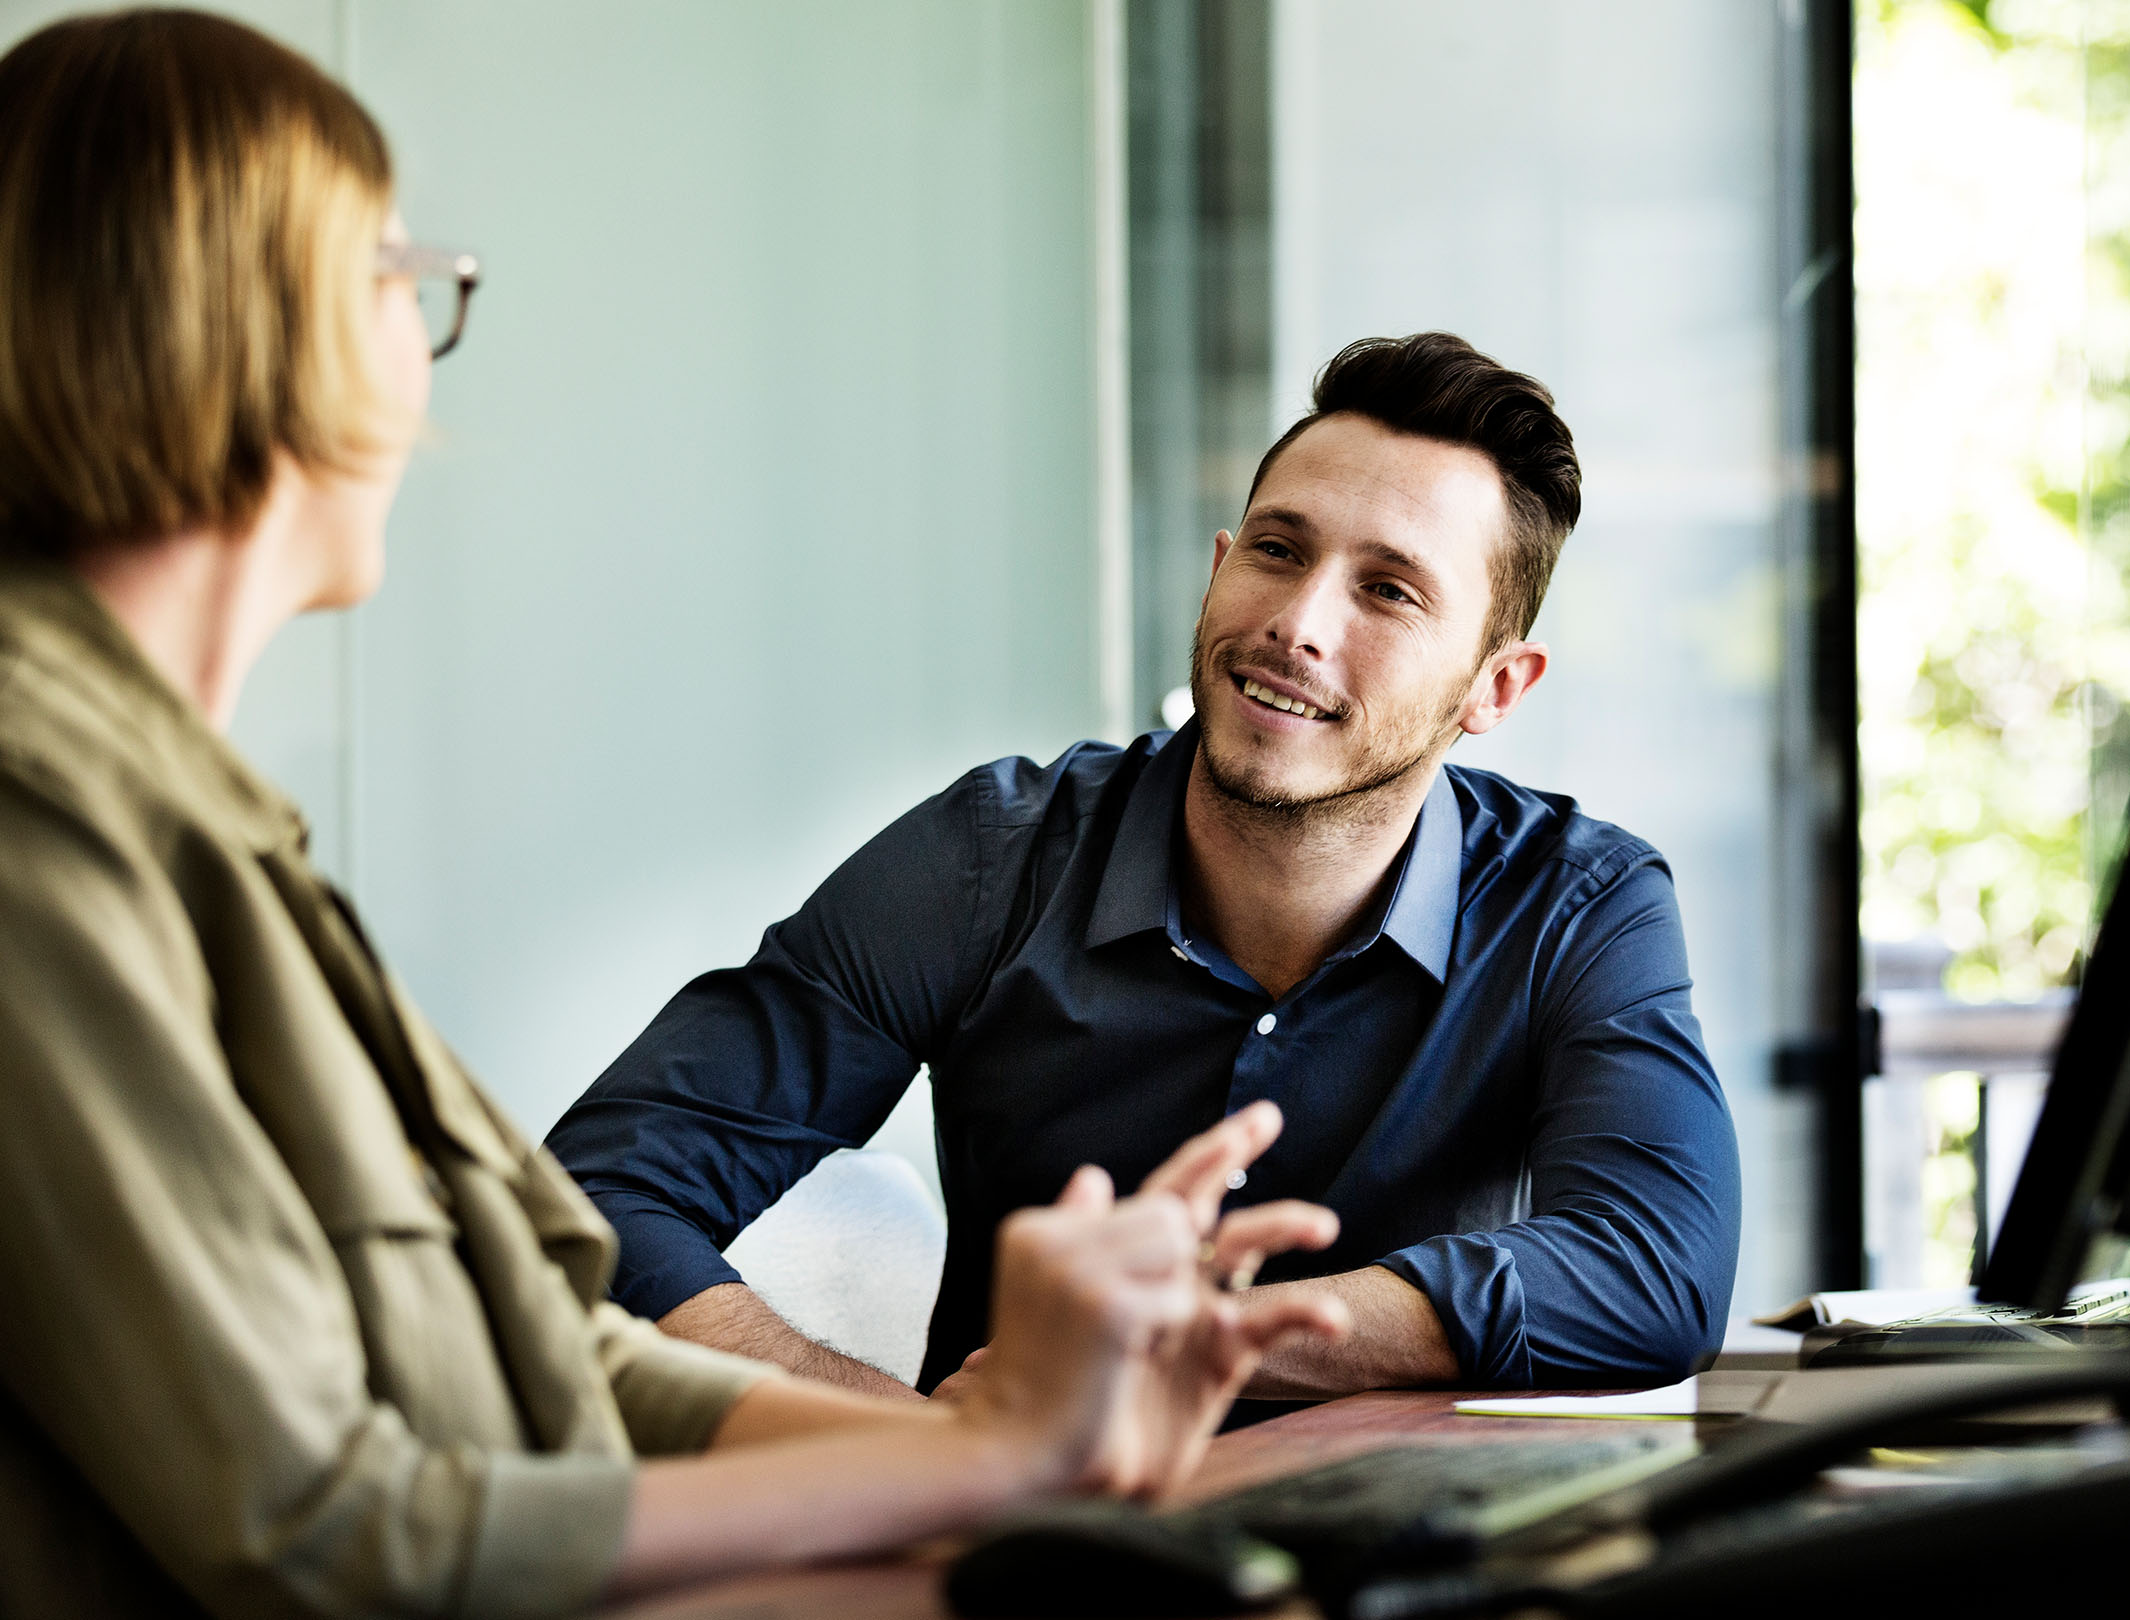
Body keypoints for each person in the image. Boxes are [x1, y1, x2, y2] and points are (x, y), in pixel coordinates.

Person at [0, 12, 1347, 1617]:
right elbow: (326, 1527)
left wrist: (989, 1448)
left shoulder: (205, 832)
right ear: (228, 319)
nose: (419, 342)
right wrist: (977, 1459)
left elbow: (547, 1364)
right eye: (387, 271)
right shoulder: (41, 827)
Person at [548, 332, 1744, 1403]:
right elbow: (589, 1199)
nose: (1301, 622)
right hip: (1019, 1553)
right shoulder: (987, 860)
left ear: (1495, 687)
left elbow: (1655, 1266)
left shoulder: (1580, 905)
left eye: (1388, 590)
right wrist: (881, 1433)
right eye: (1277, 551)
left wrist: (1201, 1336)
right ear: (1221, 566)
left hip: (1385, 1553)